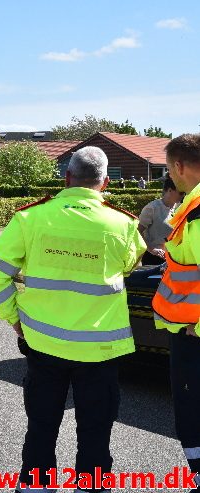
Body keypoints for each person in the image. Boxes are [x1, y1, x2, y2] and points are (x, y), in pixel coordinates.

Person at [0, 146, 145, 493]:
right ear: (103, 183)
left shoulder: (30, 218)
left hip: (43, 344)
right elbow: (129, 265)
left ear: (67, 177)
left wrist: (14, 318)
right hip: (100, 348)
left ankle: (37, 486)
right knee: (96, 430)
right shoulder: (124, 223)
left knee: (41, 426)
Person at [152, 134, 200, 492]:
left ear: (179, 166)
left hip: (193, 336)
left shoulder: (197, 212)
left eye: (169, 169)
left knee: (192, 413)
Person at [138, 177, 182, 265]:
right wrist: (151, 249)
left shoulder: (180, 208)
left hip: (174, 258)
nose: (183, 195)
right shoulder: (152, 208)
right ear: (170, 190)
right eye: (180, 193)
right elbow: (137, 231)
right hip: (154, 258)